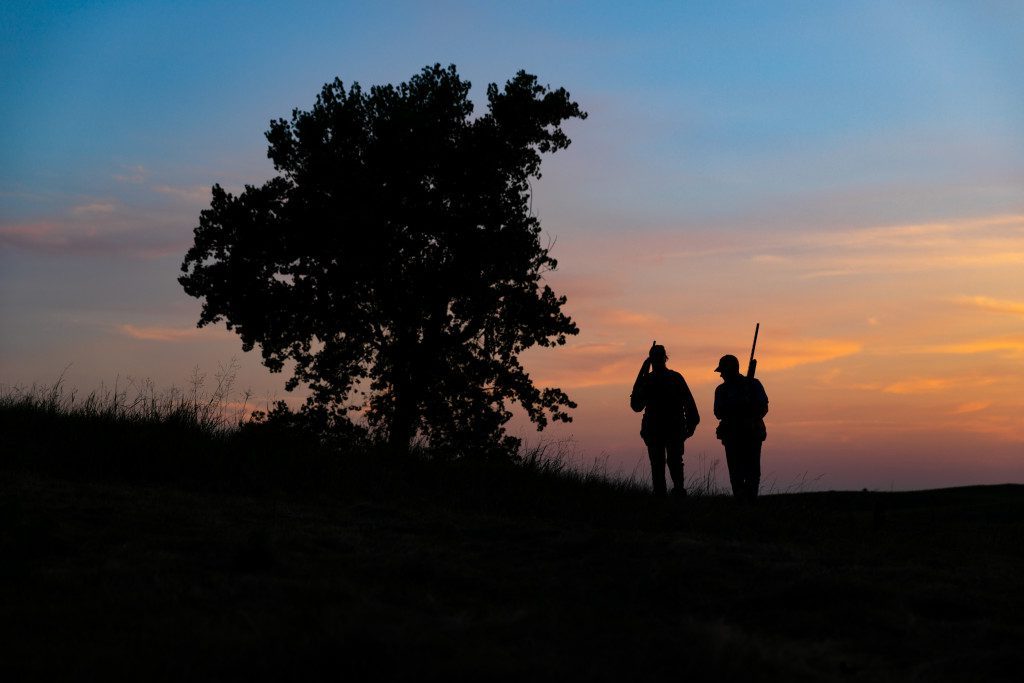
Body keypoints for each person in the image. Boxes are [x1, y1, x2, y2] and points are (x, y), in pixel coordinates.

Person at [630, 342, 700, 497]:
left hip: (670, 429)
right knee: (663, 463)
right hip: (659, 429)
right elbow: (636, 405)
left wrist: (691, 423)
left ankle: (674, 492)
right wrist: (642, 372)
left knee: (669, 462)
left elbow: (635, 405)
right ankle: (668, 493)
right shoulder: (656, 379)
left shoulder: (669, 378)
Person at [713, 354, 769, 501]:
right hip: (732, 435)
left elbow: (763, 407)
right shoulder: (721, 390)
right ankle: (740, 500)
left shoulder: (753, 385)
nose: (721, 375)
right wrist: (737, 403)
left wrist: (749, 408)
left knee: (752, 472)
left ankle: (751, 501)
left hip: (751, 433)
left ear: (730, 370)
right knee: (735, 472)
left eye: (723, 371)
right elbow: (718, 412)